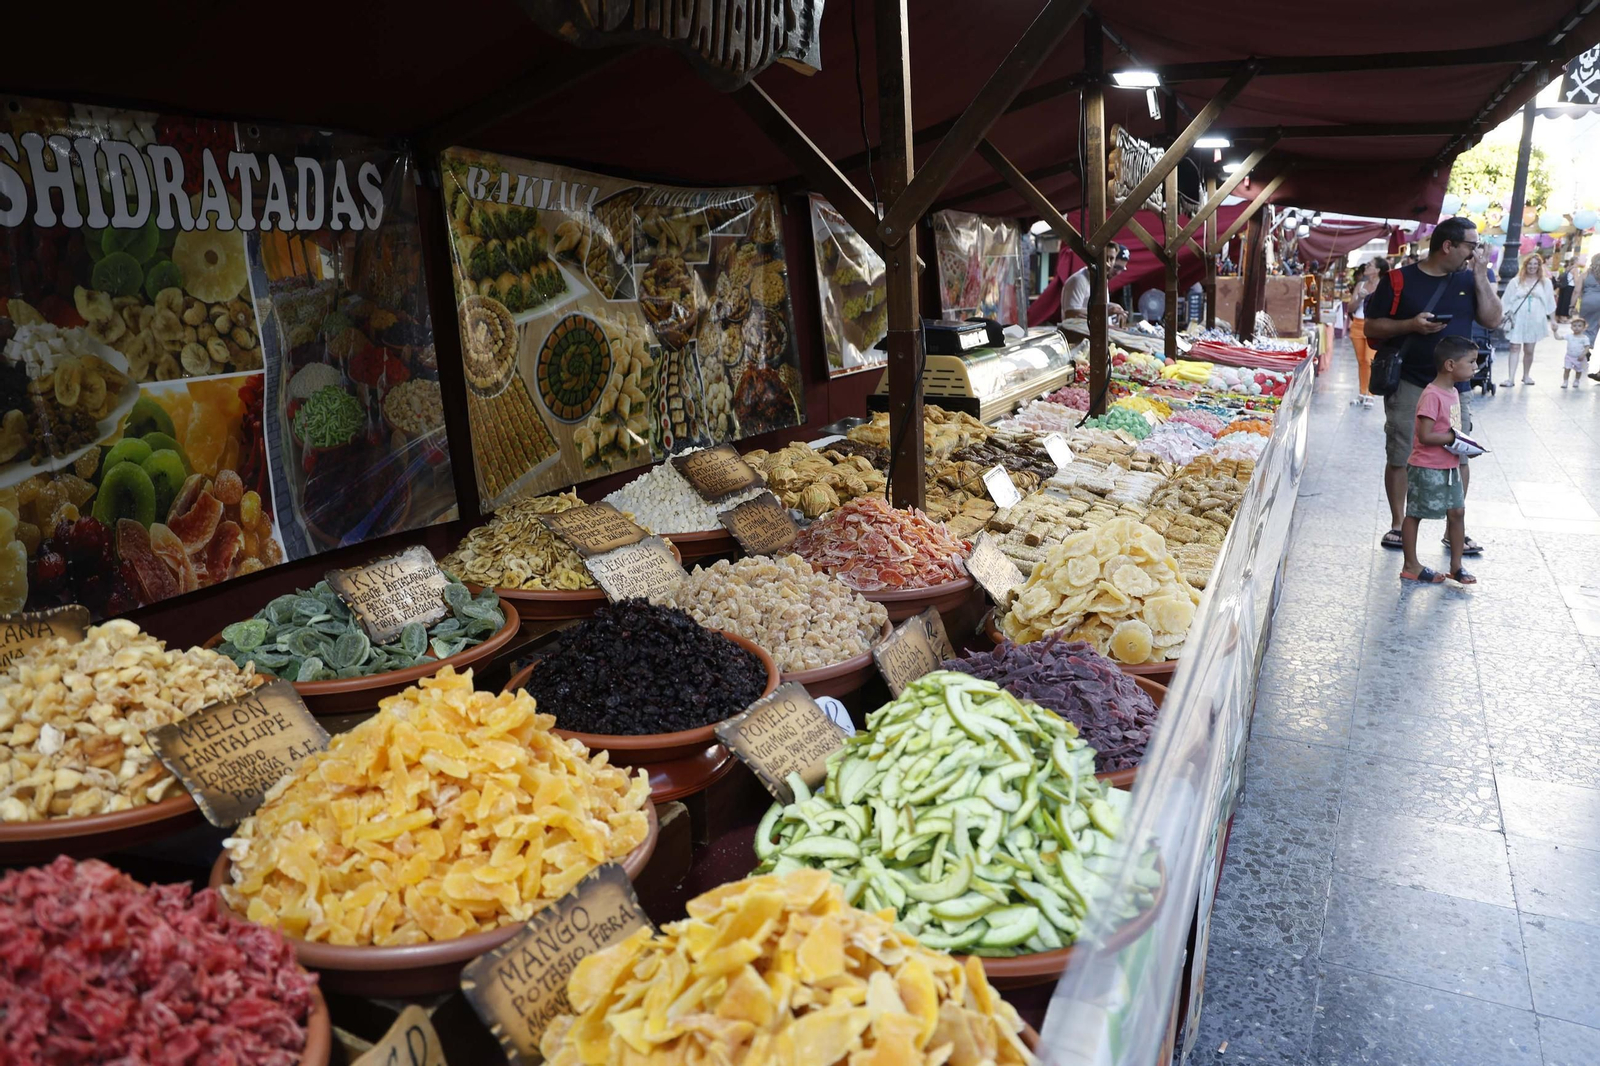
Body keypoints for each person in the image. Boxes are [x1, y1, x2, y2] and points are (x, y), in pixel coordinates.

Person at [1364, 216, 1503, 556]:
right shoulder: (1399, 279)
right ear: (1448, 246)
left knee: (1459, 454)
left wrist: (1482, 277)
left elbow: (1492, 319)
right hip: (1410, 378)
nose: (1475, 252)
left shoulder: (1472, 280)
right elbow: (1372, 327)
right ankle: (1398, 524)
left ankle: (1453, 529)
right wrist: (1410, 324)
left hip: (1455, 390)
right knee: (1400, 453)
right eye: (1471, 246)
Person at [1399, 337, 1480, 586]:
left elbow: (1451, 429)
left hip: (1449, 467)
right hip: (1427, 466)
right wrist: (1455, 438)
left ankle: (1456, 567)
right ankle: (1410, 564)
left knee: (1457, 512)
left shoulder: (1453, 392)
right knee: (1415, 513)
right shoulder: (1432, 395)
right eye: (1471, 362)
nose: (1475, 367)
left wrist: (1464, 444)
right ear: (1450, 365)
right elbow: (1425, 435)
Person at [1500, 254, 1556, 387]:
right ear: (1525, 265)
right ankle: (1511, 378)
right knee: (1514, 347)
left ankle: (1526, 375)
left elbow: (1550, 302)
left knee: (1529, 349)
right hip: (1518, 319)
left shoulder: (1545, 282)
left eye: (1535, 264)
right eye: (1530, 264)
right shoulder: (1516, 281)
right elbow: (1506, 300)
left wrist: (1553, 320)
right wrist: (1502, 315)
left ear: (1539, 266)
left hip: (1535, 319)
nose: (1532, 267)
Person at [1346, 258, 1389, 407]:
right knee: (1361, 361)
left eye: (1370, 265)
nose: (1367, 266)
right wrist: (1359, 298)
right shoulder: (1361, 285)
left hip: (1373, 325)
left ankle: (1371, 394)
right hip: (1358, 324)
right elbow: (1350, 308)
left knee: (1370, 360)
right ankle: (1362, 392)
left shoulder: (1383, 286)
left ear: (1377, 270)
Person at [1062, 244, 1130, 325]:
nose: (1108, 264)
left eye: (1111, 259)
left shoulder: (1102, 279)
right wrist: (1106, 311)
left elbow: (1095, 306)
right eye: (1104, 258)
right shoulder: (1079, 280)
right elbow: (1070, 314)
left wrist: (1116, 309)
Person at [1564, 316, 1591, 388]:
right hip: (1569, 356)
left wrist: (1583, 354)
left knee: (1578, 370)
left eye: (1579, 326)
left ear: (1584, 328)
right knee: (1567, 369)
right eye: (1574, 325)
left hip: (1579, 357)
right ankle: (1565, 381)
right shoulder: (1569, 336)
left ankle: (1577, 380)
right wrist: (1555, 331)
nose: (1576, 327)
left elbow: (1587, 347)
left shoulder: (1584, 338)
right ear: (1571, 327)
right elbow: (1558, 337)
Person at [1582, 254, 1600, 345]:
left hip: (1587, 300)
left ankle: (1582, 344)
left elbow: (1577, 291)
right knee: (1595, 325)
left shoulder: (1587, 273)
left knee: (1584, 324)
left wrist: (1572, 306)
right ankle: (1589, 345)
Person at [1556, 257, 1577, 322]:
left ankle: (1559, 316)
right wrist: (1578, 287)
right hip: (1570, 286)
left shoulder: (1568, 268)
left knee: (1561, 300)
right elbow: (1576, 279)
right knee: (1567, 301)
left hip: (1564, 286)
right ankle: (1564, 317)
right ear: (1576, 261)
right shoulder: (1575, 269)